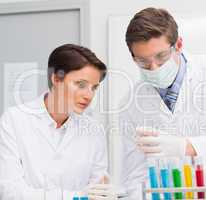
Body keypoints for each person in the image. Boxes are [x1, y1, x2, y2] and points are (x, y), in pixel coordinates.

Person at [119, 7, 206, 198]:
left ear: (179, 44)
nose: (154, 68)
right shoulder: (131, 103)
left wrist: (186, 147)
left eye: (161, 57)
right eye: (143, 62)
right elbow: (135, 177)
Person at [0, 44, 119, 199]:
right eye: (81, 84)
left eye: (94, 88)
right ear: (56, 79)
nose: (89, 95)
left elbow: (97, 189)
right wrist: (77, 196)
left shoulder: (94, 130)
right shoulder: (14, 120)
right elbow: (10, 191)